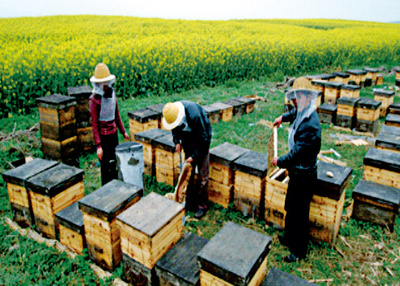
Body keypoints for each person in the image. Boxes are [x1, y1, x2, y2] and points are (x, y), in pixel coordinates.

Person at [272, 83, 321, 262]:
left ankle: (299, 251)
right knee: (291, 207)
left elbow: (297, 154)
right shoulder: (302, 111)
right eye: (295, 96)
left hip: (304, 175)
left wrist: (280, 161)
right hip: (297, 173)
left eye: (299, 96)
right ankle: (289, 238)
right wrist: (282, 117)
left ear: (308, 97)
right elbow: (294, 114)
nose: (296, 100)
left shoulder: (311, 126)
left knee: (300, 213)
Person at [162, 100, 212, 219]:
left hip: (202, 139)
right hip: (188, 140)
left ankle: (202, 206)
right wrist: (177, 142)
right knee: (187, 172)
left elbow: (204, 139)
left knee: (202, 175)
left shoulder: (194, 115)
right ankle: (189, 201)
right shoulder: (173, 112)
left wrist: (194, 157)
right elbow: (174, 129)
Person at [89, 63, 130, 186]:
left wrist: (123, 131)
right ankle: (106, 190)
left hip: (113, 135)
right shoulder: (94, 100)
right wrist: (98, 146)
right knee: (105, 166)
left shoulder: (112, 94)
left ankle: (116, 187)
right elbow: (94, 124)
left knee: (115, 163)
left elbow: (116, 115)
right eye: (102, 82)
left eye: (106, 82)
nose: (105, 85)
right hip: (103, 137)